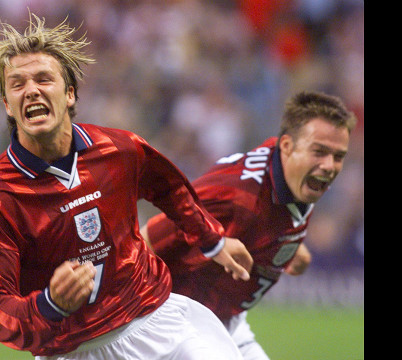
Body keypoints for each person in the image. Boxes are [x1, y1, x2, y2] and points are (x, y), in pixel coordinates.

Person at [0, 11, 254, 360]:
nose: (31, 90)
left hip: (159, 321)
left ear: (69, 94)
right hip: (74, 350)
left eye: (44, 79)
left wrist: (212, 240)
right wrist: (49, 305)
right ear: (7, 106)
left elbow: (171, 189)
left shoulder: (119, 150)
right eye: (18, 84)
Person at [141, 90, 357, 360]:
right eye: (319, 152)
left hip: (227, 318)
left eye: (338, 156)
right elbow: (147, 238)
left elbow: (270, 221)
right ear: (288, 147)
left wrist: (289, 249)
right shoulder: (236, 194)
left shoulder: (295, 175)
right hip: (180, 320)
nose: (329, 166)